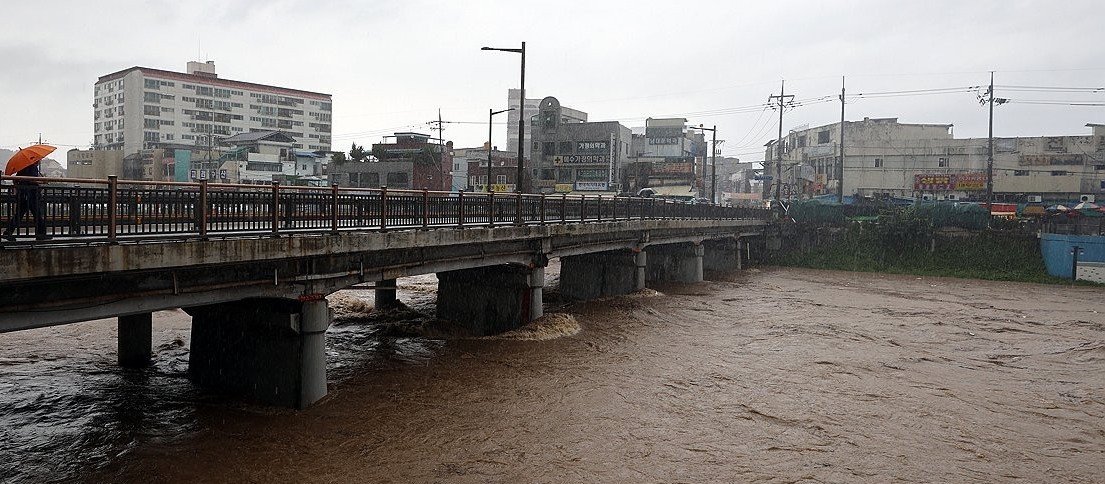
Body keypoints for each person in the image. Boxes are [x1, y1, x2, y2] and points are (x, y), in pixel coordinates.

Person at [2, 160, 51, 241]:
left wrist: (17, 188)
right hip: (31, 193)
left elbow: (16, 180)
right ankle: (41, 234)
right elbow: (32, 179)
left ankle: (8, 232)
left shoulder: (23, 167)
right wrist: (43, 181)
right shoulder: (32, 167)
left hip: (23, 193)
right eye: (39, 160)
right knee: (37, 214)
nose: (39, 161)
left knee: (19, 214)